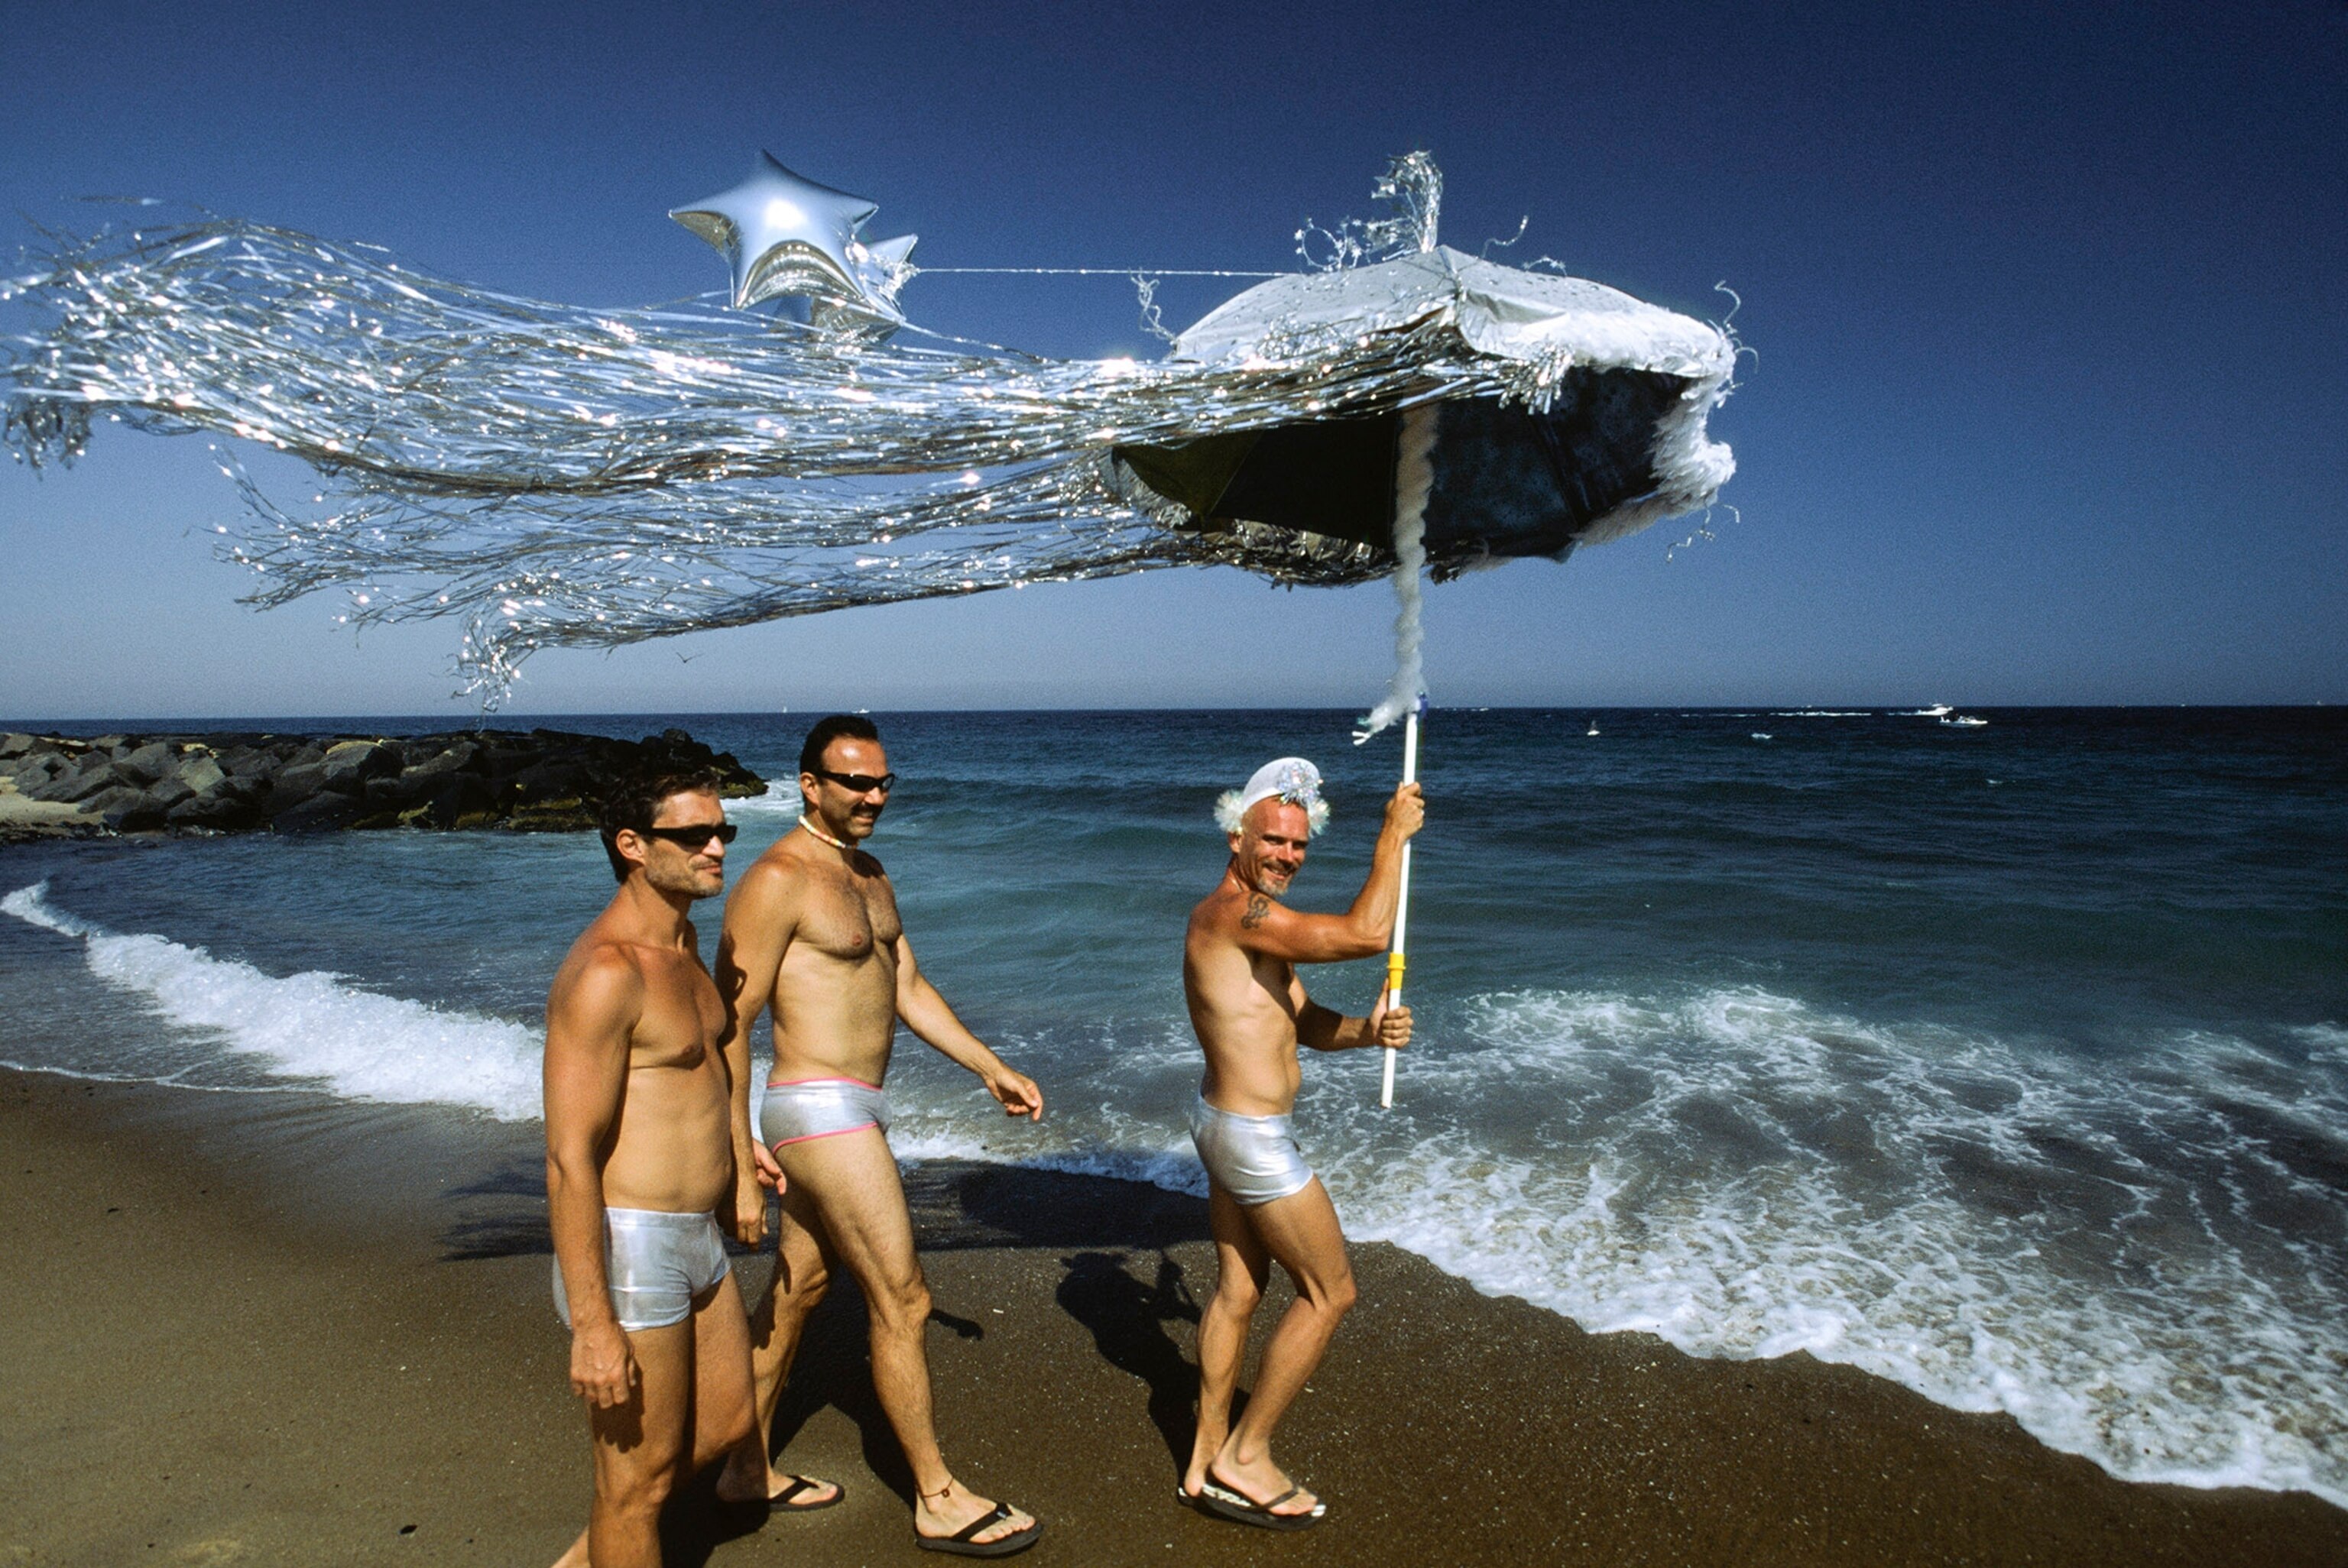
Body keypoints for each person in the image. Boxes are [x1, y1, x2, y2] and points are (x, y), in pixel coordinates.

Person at [714, 714, 1046, 1558]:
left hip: (860, 1105)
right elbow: (730, 1024)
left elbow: (907, 983)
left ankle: (739, 1469)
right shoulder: (777, 879)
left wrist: (988, 1065)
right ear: (810, 786)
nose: (873, 796)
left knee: (797, 1296)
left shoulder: (870, 874)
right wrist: (737, 1155)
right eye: (854, 782)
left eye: (882, 782)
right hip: (813, 1106)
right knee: (904, 1299)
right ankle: (935, 1495)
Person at [544, 770, 795, 1568]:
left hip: (695, 1235)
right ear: (632, 847)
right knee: (637, 1488)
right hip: (633, 1244)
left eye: (723, 832)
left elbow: (706, 1069)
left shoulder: (682, 945)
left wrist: (737, 1158)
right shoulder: (608, 973)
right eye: (693, 837)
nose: (718, 847)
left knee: (724, 1426)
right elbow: (568, 1158)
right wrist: (592, 1327)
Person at [1179, 756, 1423, 1531]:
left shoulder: (1256, 924)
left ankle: (1203, 1461)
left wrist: (1367, 1031)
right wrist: (1393, 835)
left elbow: (1302, 1023)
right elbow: (1366, 933)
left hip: (1223, 1123)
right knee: (1331, 1292)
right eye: (1272, 841)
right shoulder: (1233, 915)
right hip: (1251, 1142)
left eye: (1298, 844)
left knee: (1239, 1293)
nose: (1287, 855)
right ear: (1235, 835)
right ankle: (1245, 1456)